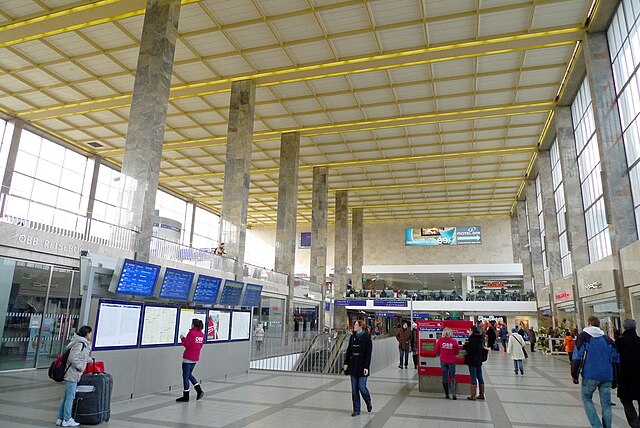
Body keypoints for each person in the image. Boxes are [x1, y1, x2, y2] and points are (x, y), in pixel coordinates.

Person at [571, 316, 619, 428]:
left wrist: (575, 374)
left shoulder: (583, 337)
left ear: (588, 323)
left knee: (587, 398)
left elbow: (578, 355)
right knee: (606, 404)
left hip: (590, 374)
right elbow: (616, 359)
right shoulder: (607, 339)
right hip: (607, 376)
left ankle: (597, 426)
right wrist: (615, 378)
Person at [56, 325, 93, 427]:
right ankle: (67, 419)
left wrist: (89, 360)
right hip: (73, 373)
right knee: (70, 397)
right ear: (86, 333)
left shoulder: (80, 343)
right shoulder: (80, 343)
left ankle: (60, 418)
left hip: (72, 373)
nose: (91, 335)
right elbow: (73, 358)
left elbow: (82, 357)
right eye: (90, 333)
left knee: (66, 397)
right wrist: (81, 367)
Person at [343, 320, 373, 417]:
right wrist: (346, 363)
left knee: (362, 387)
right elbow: (349, 351)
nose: (354, 326)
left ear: (361, 326)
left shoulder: (367, 338)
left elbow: (368, 354)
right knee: (354, 390)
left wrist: (366, 367)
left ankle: (368, 401)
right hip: (353, 365)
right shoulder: (352, 337)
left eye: (356, 325)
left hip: (362, 366)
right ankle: (356, 410)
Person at [615, 319, 640, 428]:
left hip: (625, 377)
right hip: (639, 377)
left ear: (624, 328)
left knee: (626, 400)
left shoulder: (619, 342)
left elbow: (615, 359)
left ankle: (634, 423)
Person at [177, 318, 205, 402]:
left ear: (193, 324)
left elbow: (186, 344)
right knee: (189, 374)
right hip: (195, 358)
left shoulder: (191, 333)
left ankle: (186, 396)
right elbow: (200, 345)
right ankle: (198, 390)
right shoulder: (201, 334)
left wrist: (182, 337)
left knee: (186, 376)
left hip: (188, 357)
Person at [463, 325, 487, 401]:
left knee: (473, 377)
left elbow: (470, 350)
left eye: (469, 330)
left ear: (472, 331)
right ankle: (481, 394)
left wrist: (465, 346)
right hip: (479, 360)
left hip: (472, 361)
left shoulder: (471, 339)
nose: (468, 332)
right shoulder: (480, 338)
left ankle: (473, 396)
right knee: (480, 376)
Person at [436, 327, 460, 400]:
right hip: (452, 361)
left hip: (443, 361)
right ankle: (453, 394)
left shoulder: (440, 340)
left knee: (444, 377)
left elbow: (437, 350)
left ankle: (446, 394)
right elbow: (457, 352)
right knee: (452, 377)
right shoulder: (454, 341)